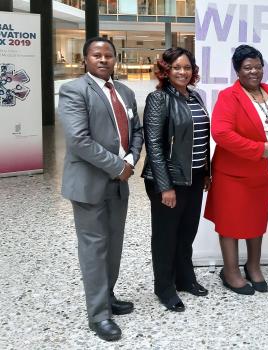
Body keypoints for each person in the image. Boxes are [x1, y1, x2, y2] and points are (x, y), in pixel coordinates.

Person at [58, 37, 143, 341]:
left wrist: (131, 158)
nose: (103, 59)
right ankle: (98, 316)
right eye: (97, 55)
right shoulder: (74, 90)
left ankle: (107, 296)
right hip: (89, 184)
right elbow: (79, 140)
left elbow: (137, 131)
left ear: (115, 59)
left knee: (114, 245)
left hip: (118, 184)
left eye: (108, 55)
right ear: (85, 60)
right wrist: (118, 166)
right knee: (94, 249)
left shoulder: (125, 92)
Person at [204, 45, 268, 295]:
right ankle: (230, 271)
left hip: (265, 173)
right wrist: (256, 149)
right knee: (230, 225)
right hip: (234, 175)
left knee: (256, 222)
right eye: (247, 67)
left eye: (257, 66)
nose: (253, 71)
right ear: (238, 71)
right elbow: (220, 132)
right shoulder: (229, 96)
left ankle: (253, 266)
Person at [142, 47, 211, 312]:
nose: (183, 72)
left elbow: (202, 138)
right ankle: (164, 287)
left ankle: (184, 278)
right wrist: (165, 186)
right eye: (177, 67)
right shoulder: (159, 98)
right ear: (166, 71)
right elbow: (155, 146)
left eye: (187, 67)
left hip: (194, 177)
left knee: (186, 233)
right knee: (165, 236)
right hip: (168, 180)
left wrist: (206, 171)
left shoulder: (195, 97)